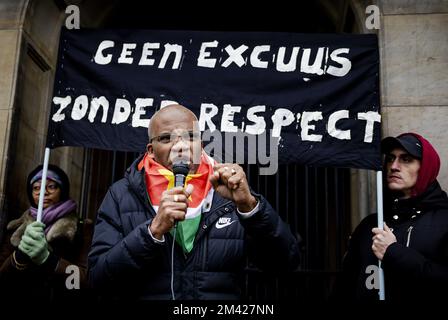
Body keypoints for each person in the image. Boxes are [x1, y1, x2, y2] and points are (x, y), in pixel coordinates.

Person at [88, 104, 300, 300]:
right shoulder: (121, 194)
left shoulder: (229, 190)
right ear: (150, 150)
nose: (180, 146)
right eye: (165, 138)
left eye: (190, 137)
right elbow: (98, 279)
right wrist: (152, 232)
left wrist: (250, 208)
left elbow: (285, 265)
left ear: (201, 144)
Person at [335, 132, 448, 301]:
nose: (394, 166)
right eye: (390, 158)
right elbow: (344, 288)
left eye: (406, 159)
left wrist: (394, 252)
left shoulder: (443, 221)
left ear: (425, 167)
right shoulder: (370, 225)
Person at [0, 164, 93, 300]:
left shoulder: (82, 228)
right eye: (36, 188)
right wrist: (20, 255)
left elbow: (85, 282)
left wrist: (49, 260)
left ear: (63, 190)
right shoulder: (16, 229)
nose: (43, 192)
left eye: (51, 186)